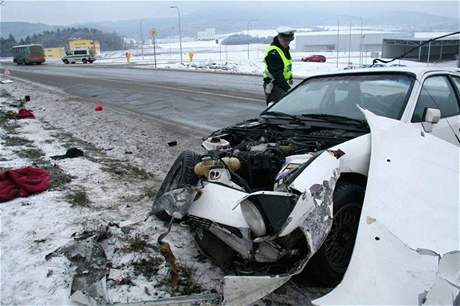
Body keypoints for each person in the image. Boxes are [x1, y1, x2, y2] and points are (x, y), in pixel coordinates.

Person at [263, 26, 296, 105]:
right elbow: (277, 74)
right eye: (285, 40)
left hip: (282, 83)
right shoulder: (273, 53)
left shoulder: (284, 48)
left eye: (289, 40)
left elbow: (286, 66)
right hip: (275, 85)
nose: (287, 43)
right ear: (279, 37)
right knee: (276, 109)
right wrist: (288, 89)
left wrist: (290, 78)